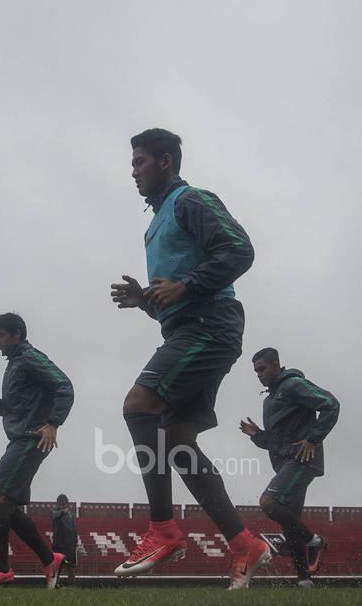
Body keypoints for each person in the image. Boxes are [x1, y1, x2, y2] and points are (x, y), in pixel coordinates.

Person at [109, 128, 269, 589]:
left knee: (139, 406)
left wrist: (188, 286)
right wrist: (144, 298)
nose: (133, 170)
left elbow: (239, 249)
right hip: (188, 327)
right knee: (177, 438)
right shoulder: (155, 222)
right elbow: (172, 296)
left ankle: (162, 529)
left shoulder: (190, 200)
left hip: (210, 324)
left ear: (165, 160)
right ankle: (243, 543)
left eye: (140, 161)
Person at [0, 313, 73, 589]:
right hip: (21, 437)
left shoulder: (28, 357)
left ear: (17, 335)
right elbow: (17, 408)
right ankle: (51, 560)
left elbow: (64, 385)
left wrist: (53, 424)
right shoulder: (15, 364)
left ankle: (2, 570)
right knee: (9, 507)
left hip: (30, 438)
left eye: (2, 335)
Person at [238, 348, 339, 588]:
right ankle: (305, 581)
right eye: (255, 371)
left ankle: (314, 540)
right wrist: (257, 436)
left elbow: (331, 405)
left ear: (276, 365)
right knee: (289, 522)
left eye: (262, 369)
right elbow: (275, 442)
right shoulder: (270, 400)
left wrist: (313, 439)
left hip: (303, 460)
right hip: (285, 463)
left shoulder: (293, 384)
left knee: (268, 503)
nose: (259, 374)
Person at [50, 494, 79, 586]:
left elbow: (74, 529)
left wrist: (75, 542)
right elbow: (55, 515)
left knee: (71, 566)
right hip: (58, 544)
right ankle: (54, 584)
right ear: (57, 504)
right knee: (57, 565)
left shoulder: (71, 515)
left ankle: (71, 583)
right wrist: (63, 511)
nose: (62, 505)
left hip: (70, 545)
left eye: (64, 503)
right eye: (60, 504)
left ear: (67, 504)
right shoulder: (54, 512)